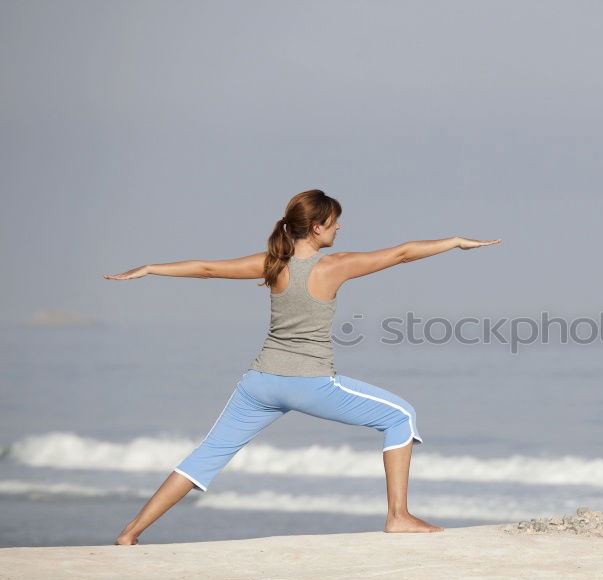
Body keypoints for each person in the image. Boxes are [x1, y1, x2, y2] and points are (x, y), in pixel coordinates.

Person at [103, 188, 500, 545]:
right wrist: (453, 242)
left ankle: (130, 532)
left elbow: (206, 268)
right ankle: (398, 517)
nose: (339, 228)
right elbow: (400, 253)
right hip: (308, 382)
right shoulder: (334, 266)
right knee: (401, 415)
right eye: (333, 222)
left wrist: (152, 268)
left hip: (259, 383)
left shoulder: (270, 263)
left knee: (208, 454)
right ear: (315, 227)